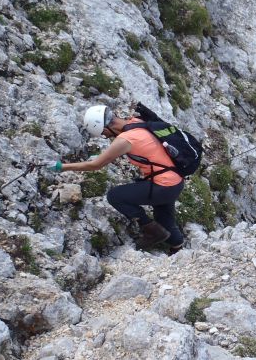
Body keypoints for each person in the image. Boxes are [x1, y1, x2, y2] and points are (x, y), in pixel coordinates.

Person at [48, 105, 184, 253]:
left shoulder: (125, 139)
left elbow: (95, 165)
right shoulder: (135, 122)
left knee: (115, 196)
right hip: (175, 182)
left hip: (162, 186)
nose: (106, 137)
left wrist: (62, 167)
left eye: (103, 134)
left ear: (105, 128)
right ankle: (178, 249)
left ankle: (152, 231)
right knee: (165, 222)